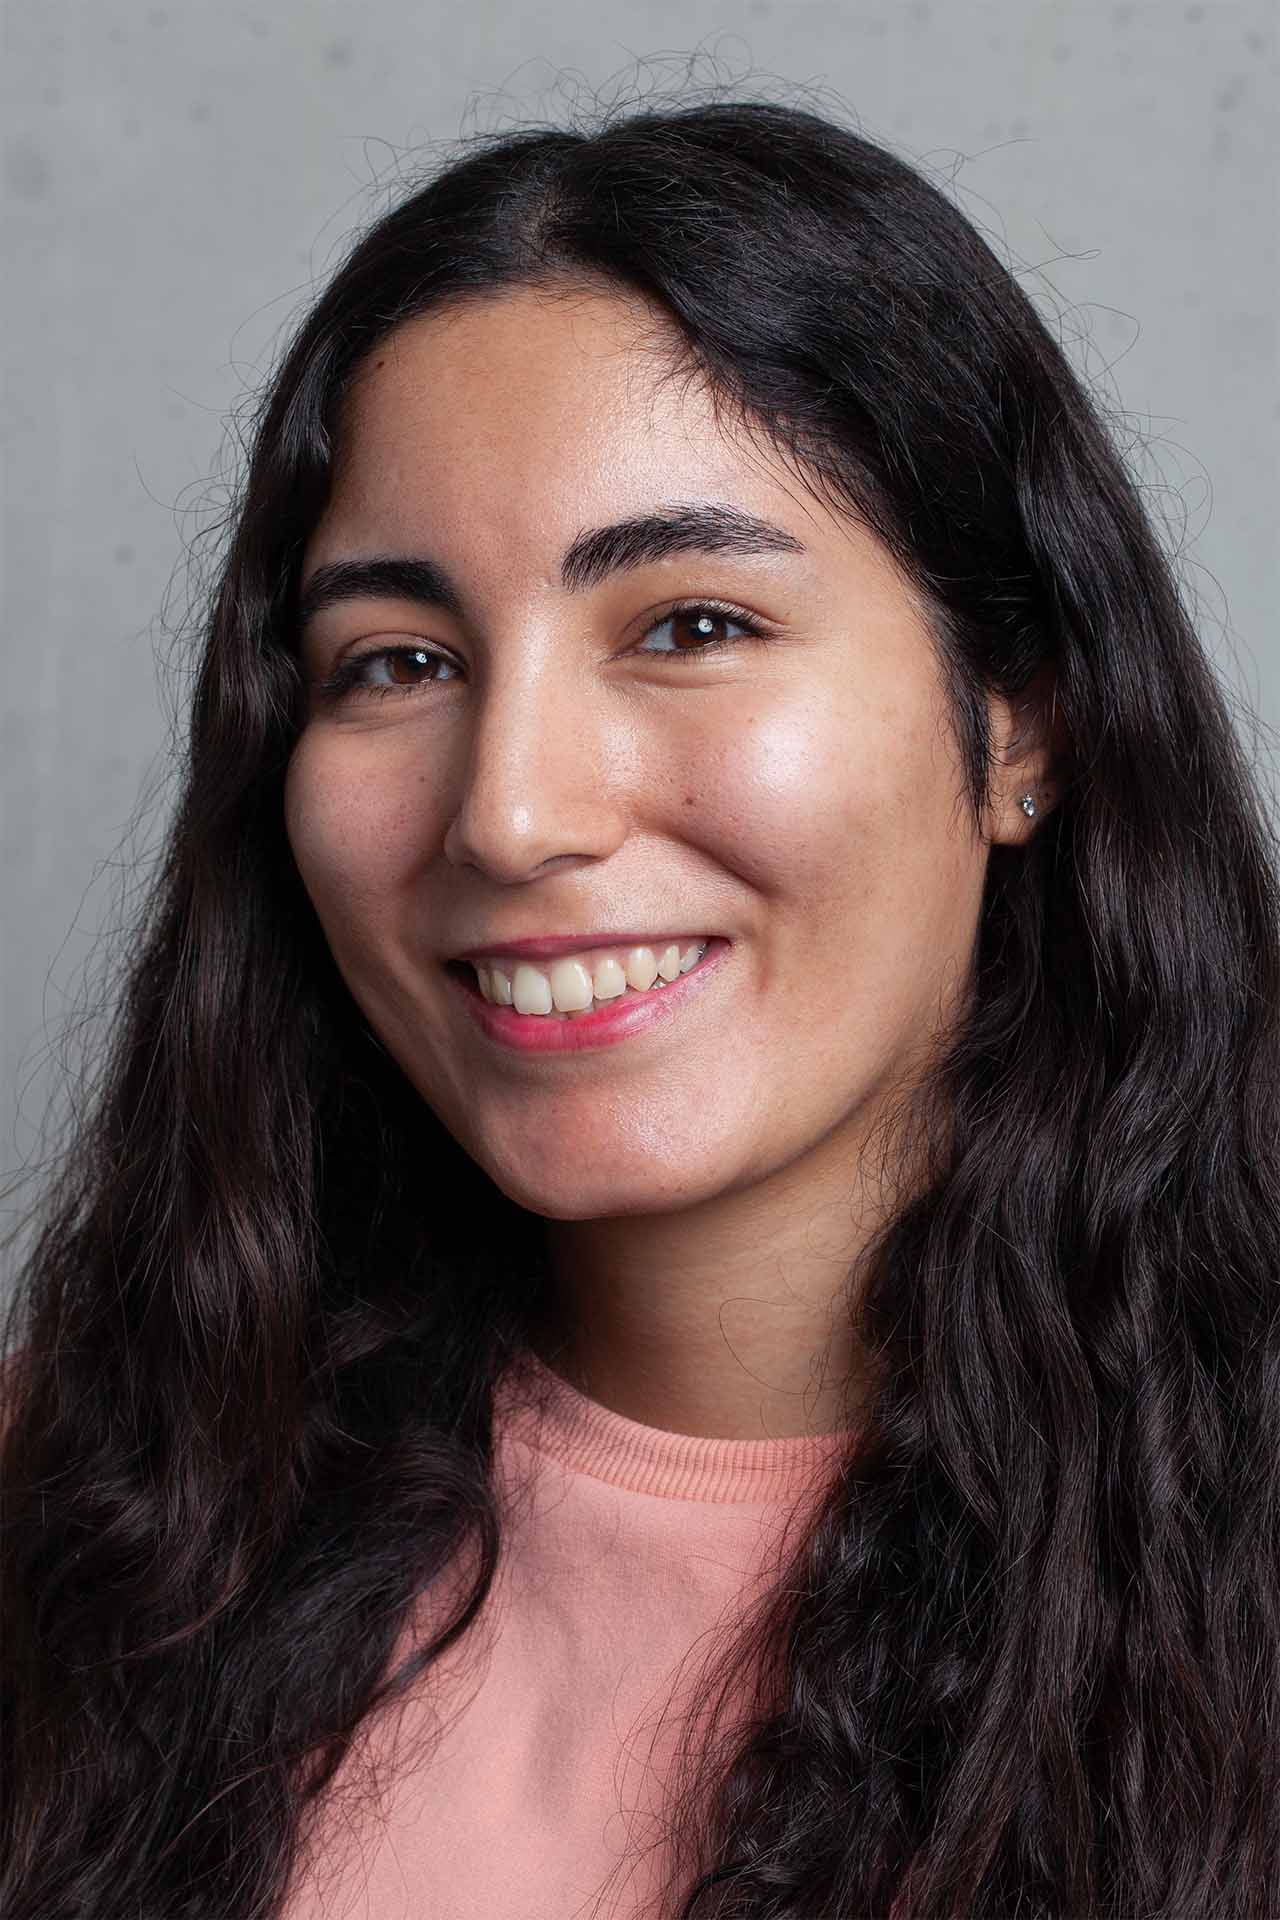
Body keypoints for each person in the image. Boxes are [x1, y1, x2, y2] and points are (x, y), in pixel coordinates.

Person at [2, 92, 1277, 1920]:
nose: (511, 813)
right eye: (403, 662)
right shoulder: (64, 1512)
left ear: (1022, 720)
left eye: (692, 624)